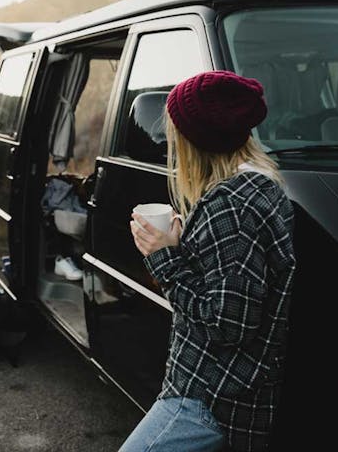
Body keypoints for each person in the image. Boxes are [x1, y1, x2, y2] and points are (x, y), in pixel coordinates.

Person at [122, 70, 296, 452]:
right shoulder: (260, 188)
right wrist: (186, 245)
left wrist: (163, 257)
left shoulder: (231, 208)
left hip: (209, 397)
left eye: (175, 132)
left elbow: (228, 323)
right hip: (223, 389)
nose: (170, 140)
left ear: (194, 141)